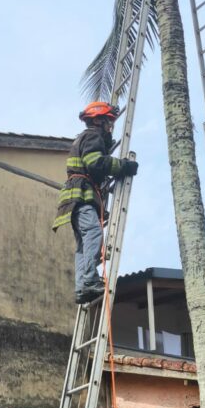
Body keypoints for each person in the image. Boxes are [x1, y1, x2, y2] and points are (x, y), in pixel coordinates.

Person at [52, 100, 138, 303]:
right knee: (93, 233)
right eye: (109, 122)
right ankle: (89, 281)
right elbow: (95, 163)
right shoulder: (93, 136)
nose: (111, 127)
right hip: (80, 197)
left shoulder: (86, 138)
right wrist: (123, 166)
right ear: (98, 121)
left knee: (83, 244)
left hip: (74, 201)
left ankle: (82, 287)